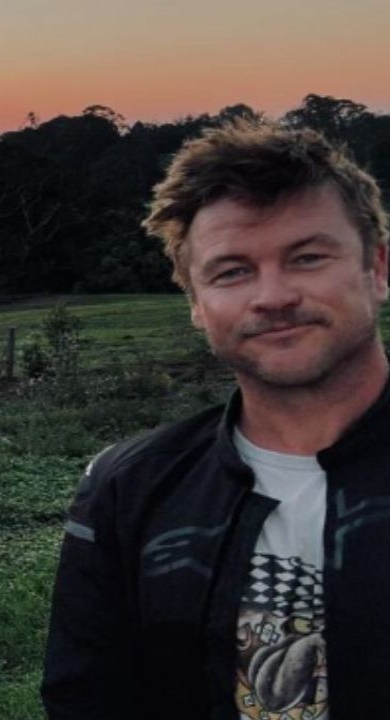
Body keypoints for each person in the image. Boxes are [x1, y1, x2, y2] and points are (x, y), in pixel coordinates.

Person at [42, 121, 390, 719]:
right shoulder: (128, 489)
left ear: (377, 268)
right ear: (197, 304)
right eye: (232, 271)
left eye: (306, 257)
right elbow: (88, 697)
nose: (273, 296)